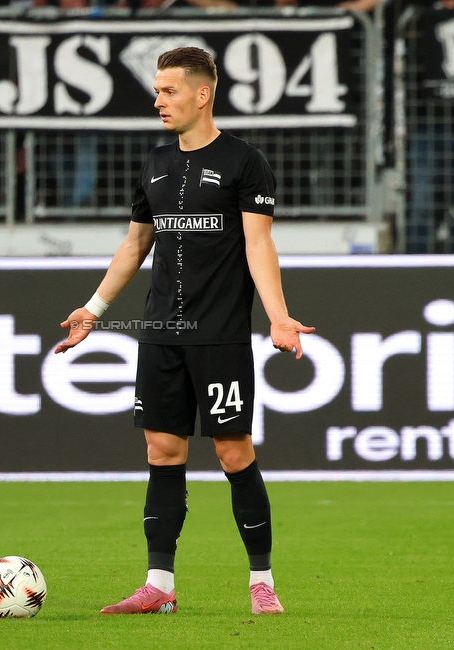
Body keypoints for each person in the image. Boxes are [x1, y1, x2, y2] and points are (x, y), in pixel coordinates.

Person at [55, 47, 315, 616]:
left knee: (232, 451)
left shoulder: (246, 162)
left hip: (219, 334)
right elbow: (136, 244)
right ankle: (159, 586)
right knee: (162, 447)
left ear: (203, 94)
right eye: (156, 91)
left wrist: (277, 315)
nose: (158, 101)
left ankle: (261, 582)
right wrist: (94, 309)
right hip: (159, 333)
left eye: (169, 91)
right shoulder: (154, 162)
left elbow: (258, 244)